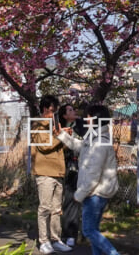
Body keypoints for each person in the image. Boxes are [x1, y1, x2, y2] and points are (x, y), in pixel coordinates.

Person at [59, 103, 120, 255]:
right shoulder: (95, 137)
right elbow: (79, 146)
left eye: (88, 117)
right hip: (96, 192)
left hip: (95, 193)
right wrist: (61, 134)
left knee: (89, 231)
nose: (85, 119)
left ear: (95, 119)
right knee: (93, 231)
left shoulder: (100, 141)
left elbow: (93, 175)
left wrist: (78, 195)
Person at [31, 95, 72, 253]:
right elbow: (45, 146)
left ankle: (55, 239)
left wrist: (66, 136)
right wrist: (61, 136)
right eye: (50, 111)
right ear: (43, 110)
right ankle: (44, 241)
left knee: (56, 209)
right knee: (45, 208)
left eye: (54, 112)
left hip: (58, 171)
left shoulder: (54, 125)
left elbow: (60, 148)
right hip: (44, 172)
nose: (52, 114)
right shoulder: (37, 125)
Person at [58, 102, 83, 248]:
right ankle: (66, 233)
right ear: (64, 115)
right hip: (65, 166)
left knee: (75, 200)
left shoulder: (80, 127)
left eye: (74, 109)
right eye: (70, 110)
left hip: (79, 167)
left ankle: (72, 233)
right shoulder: (60, 129)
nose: (74, 111)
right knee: (68, 200)